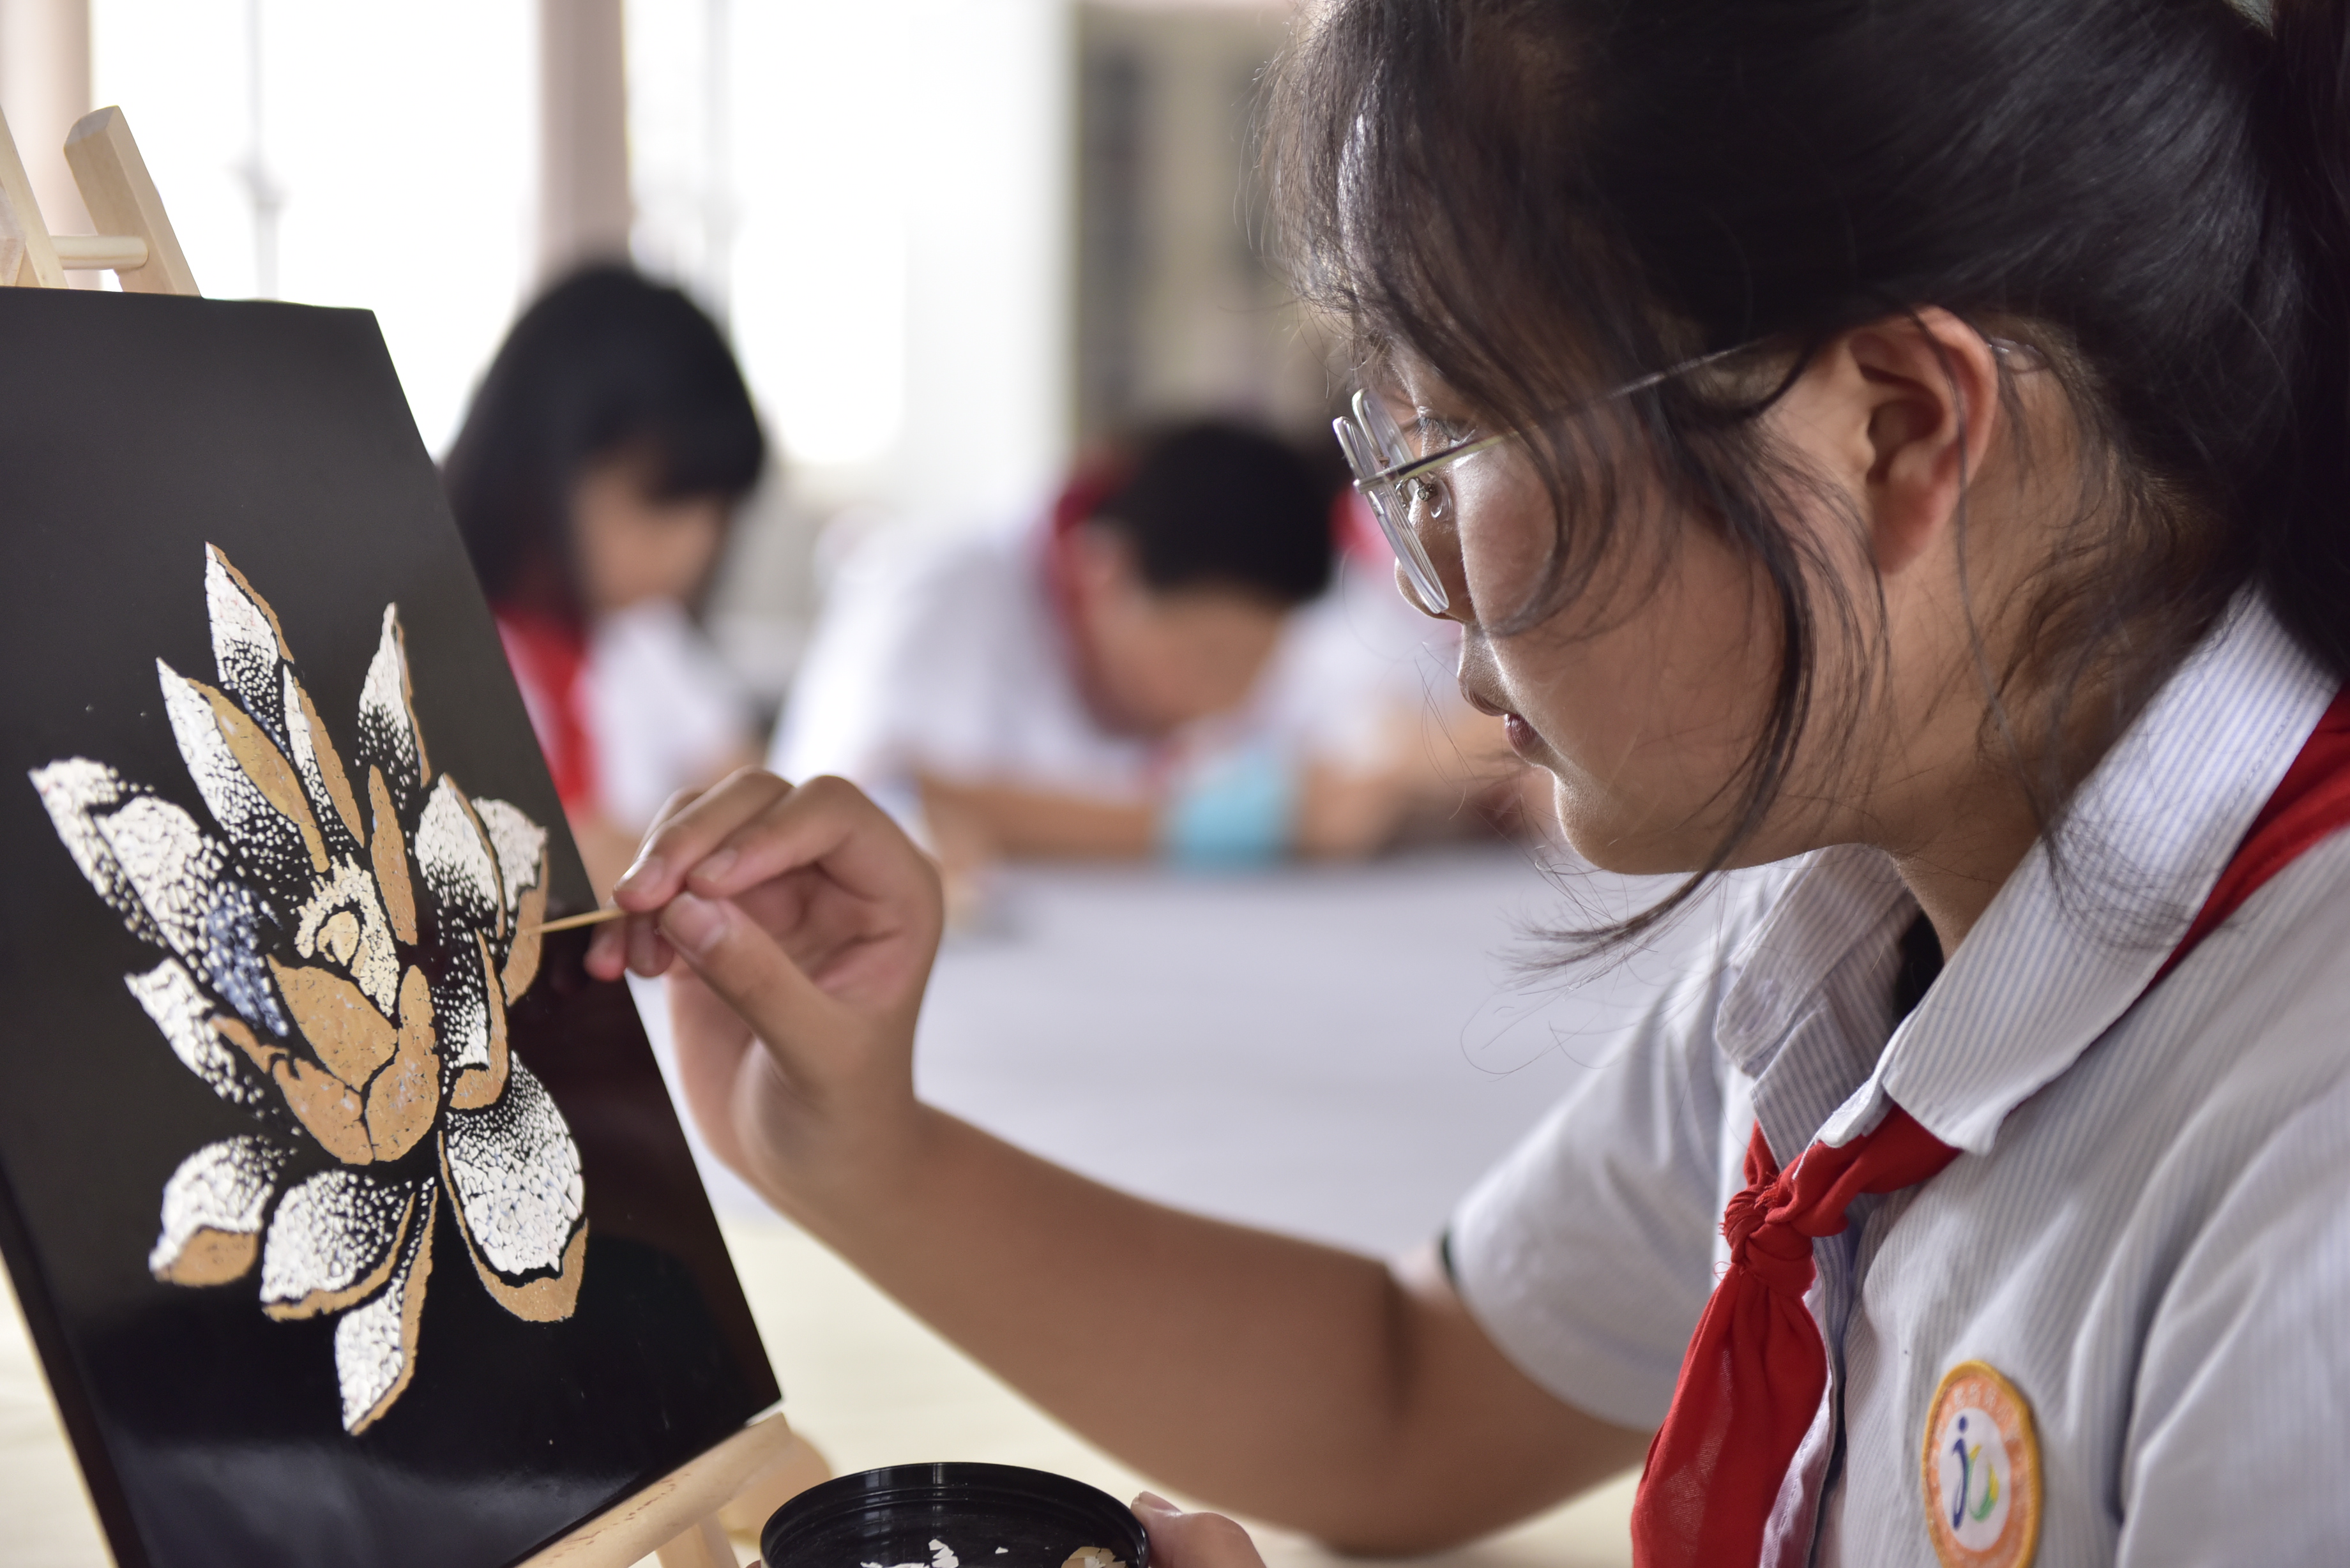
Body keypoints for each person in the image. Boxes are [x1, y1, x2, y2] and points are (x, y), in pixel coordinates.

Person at [589, 1, 2350, 1564]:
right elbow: (1407, 1393)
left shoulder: (2302, 1205)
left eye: (1449, 437)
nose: (1423, 570)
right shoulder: (1857, 933)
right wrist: (853, 1148)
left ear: (1893, 429)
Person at [773, 419, 1505, 882]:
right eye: (1205, 655)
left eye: (1252, 665)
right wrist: (1191, 826)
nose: (1222, 697)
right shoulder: (940, 591)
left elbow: (1365, 756)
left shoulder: (1257, 633)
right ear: (1106, 574)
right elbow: (858, 802)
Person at [445, 264, 767, 893]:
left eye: (718, 513)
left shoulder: (645, 638)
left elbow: (745, 793)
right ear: (540, 462)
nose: (696, 547)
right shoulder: (439, 651)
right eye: (660, 502)